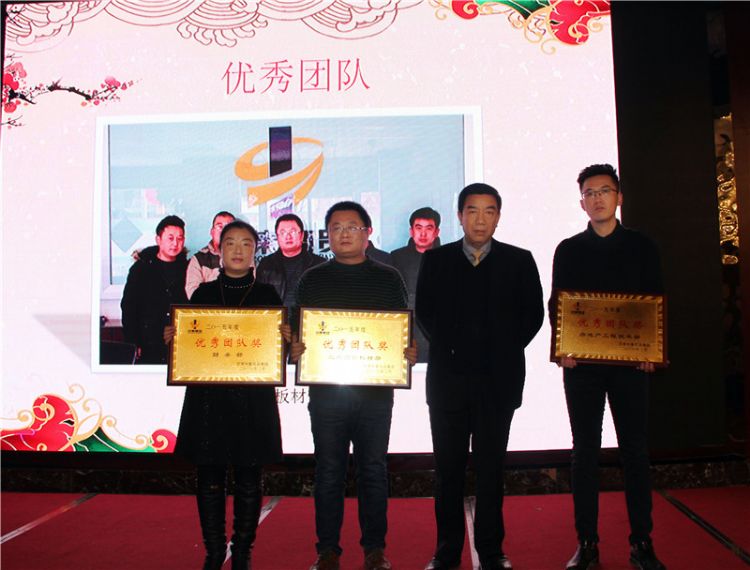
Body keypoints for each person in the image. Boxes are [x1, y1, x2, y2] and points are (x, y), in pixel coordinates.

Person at [415, 183, 544, 570]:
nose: (480, 219)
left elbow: (532, 317)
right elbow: (426, 315)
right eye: (472, 210)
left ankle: (491, 550)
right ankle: (446, 551)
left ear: (498, 217)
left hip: (497, 382)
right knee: (448, 472)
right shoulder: (436, 261)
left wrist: (499, 350)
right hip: (448, 383)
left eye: (489, 211)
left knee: (491, 471)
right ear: (460, 216)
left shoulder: (519, 261)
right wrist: (458, 348)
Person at [289, 201, 417, 570]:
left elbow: (400, 329)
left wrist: (407, 351)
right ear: (327, 234)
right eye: (336, 227)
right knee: (328, 471)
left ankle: (375, 549)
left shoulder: (388, 277)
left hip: (375, 393)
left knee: (373, 469)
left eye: (352, 226)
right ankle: (327, 551)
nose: (344, 233)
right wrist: (294, 347)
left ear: (367, 232)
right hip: (326, 394)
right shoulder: (312, 278)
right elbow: (298, 332)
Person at [551, 164, 666, 570]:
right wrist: (562, 347)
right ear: (581, 202)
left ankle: (642, 542)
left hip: (632, 365)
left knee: (634, 451)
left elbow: (655, 299)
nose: (597, 198)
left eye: (604, 190)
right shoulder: (569, 249)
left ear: (619, 197)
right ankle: (588, 543)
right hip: (581, 366)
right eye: (589, 192)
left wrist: (652, 350)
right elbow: (558, 303)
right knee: (584, 451)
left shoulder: (642, 246)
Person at [167, 220, 289, 570]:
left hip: (253, 400)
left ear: (255, 252)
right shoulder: (202, 295)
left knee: (250, 479)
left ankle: (243, 551)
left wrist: (284, 339)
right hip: (209, 399)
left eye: (246, 243)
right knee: (209, 478)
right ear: (219, 250)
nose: (238, 250)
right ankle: (213, 550)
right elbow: (191, 347)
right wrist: (175, 339)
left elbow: (275, 354)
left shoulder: (267, 296)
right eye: (231, 243)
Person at [121, 215, 189, 364]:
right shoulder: (141, 268)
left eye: (180, 238)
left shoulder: (188, 268)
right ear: (158, 239)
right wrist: (133, 340)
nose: (175, 243)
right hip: (148, 342)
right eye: (170, 238)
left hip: (180, 342)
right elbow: (128, 307)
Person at [390, 207, 442, 362]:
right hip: (407, 329)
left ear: (436, 232)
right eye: (418, 228)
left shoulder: (449, 258)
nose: (423, 234)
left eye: (429, 228)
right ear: (411, 231)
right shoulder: (396, 257)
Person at [255, 213, 325, 308]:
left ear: (302, 235)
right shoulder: (266, 264)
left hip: (306, 317)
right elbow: (259, 299)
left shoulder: (319, 264)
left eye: (293, 232)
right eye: (283, 232)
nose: (288, 237)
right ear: (277, 237)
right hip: (276, 316)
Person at [186, 211, 236, 299]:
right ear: (212, 232)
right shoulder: (198, 259)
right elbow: (193, 295)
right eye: (220, 227)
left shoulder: (245, 258)